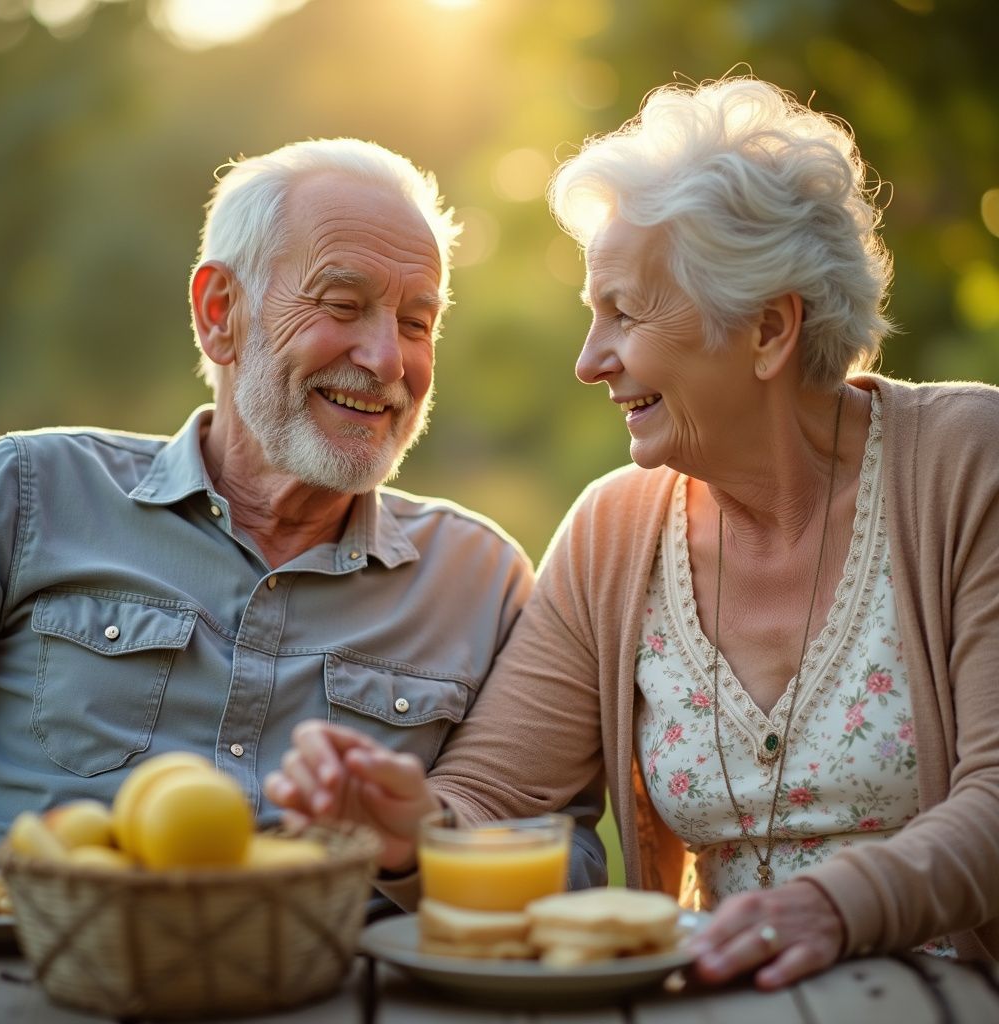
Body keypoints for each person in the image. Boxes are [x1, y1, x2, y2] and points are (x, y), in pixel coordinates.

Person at [267, 77, 999, 985]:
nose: (588, 360)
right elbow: (500, 795)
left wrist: (831, 908)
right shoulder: (616, 531)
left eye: (624, 312)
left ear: (768, 329)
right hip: (730, 1000)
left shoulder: (969, 465)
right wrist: (409, 830)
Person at [0, 138, 608, 898]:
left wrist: (417, 847)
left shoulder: (480, 578)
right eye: (343, 305)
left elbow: (566, 861)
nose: (385, 359)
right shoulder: (28, 493)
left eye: (416, 323)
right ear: (221, 314)